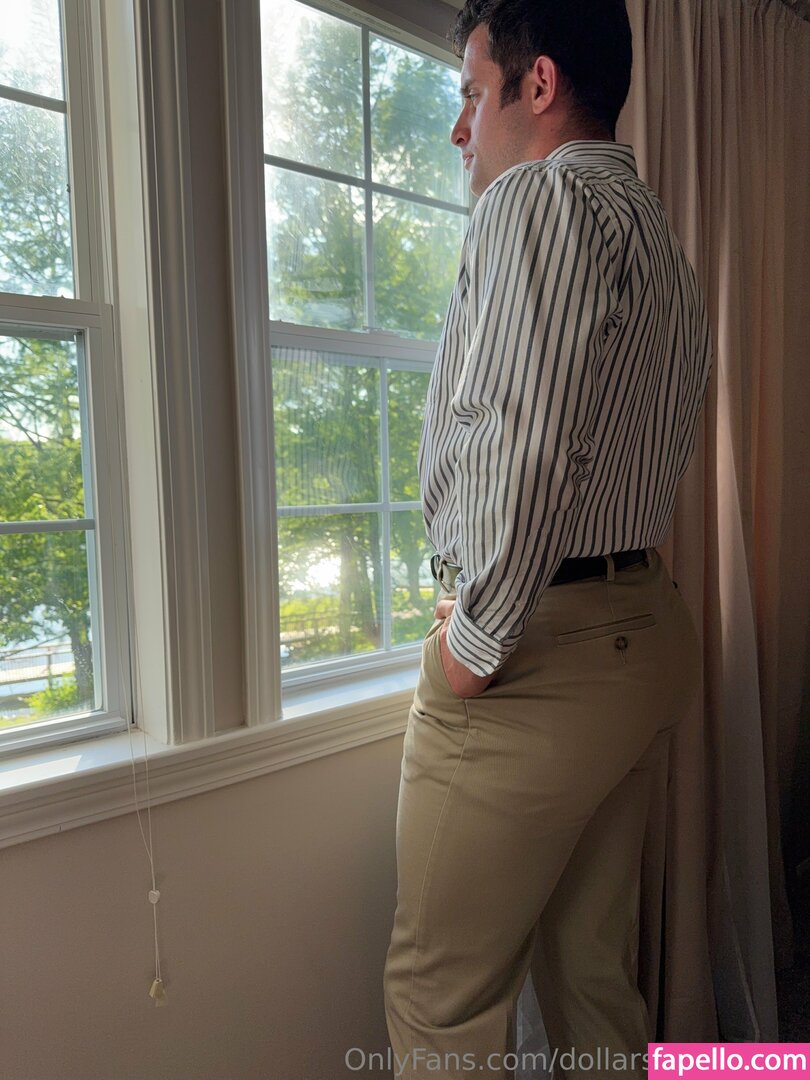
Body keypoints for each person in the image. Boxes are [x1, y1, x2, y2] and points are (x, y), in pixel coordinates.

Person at [382, 1, 713, 1078]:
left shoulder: (536, 197)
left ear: (538, 84)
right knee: (590, 971)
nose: (459, 128)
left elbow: (525, 446)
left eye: (472, 93)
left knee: (439, 997)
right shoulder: (662, 244)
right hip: (641, 636)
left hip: (537, 656)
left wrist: (471, 646)